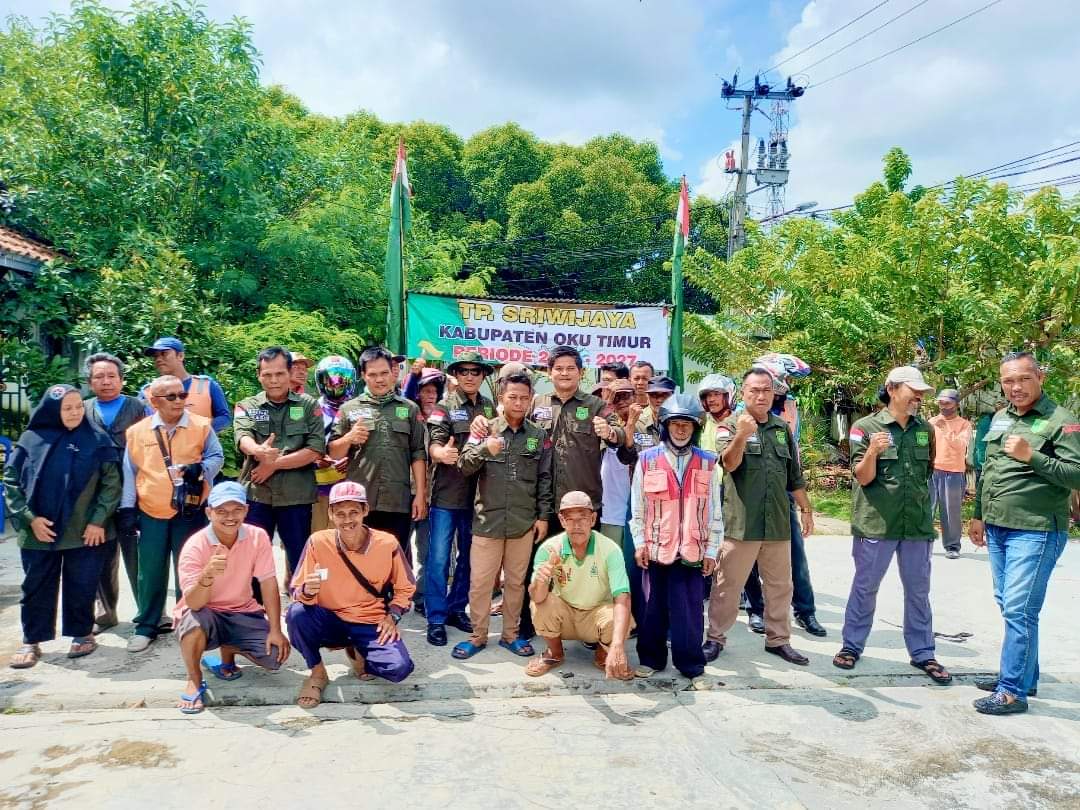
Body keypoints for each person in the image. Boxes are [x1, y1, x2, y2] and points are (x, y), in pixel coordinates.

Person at [969, 351, 1080, 715]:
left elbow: (1076, 473)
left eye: (1023, 379)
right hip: (999, 526)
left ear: (1040, 378)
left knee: (1019, 609)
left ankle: (1012, 691)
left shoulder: (1061, 421)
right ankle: (1023, 675)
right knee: (1010, 604)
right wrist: (979, 514)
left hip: (1035, 530)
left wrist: (1032, 456)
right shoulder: (1000, 418)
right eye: (1008, 381)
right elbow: (990, 470)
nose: (1015, 387)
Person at [833, 367, 952, 685]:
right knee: (865, 587)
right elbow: (862, 477)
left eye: (922, 392)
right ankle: (851, 646)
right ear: (891, 389)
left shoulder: (925, 429)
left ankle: (923, 652)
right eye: (913, 390)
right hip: (876, 525)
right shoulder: (864, 427)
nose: (919, 397)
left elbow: (927, 471)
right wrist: (872, 451)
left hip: (916, 526)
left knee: (918, 592)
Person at [704, 368, 814, 666]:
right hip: (742, 524)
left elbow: (794, 475)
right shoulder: (729, 425)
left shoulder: (781, 428)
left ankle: (778, 640)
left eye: (766, 389)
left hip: (777, 523)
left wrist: (806, 508)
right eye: (754, 390)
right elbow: (728, 464)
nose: (761, 395)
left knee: (781, 586)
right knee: (728, 585)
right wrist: (743, 433)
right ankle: (715, 638)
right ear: (743, 392)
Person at [5, 385, 121, 668]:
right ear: (52, 410)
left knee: (82, 585)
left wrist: (98, 521)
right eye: (67, 408)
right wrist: (29, 518)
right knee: (36, 586)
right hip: (38, 532)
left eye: (79, 406)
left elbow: (111, 484)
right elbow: (10, 482)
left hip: (84, 530)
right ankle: (32, 640)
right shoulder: (31, 440)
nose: (75, 412)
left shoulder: (97, 438)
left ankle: (82, 634)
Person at [452, 371, 553, 660]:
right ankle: (478, 636)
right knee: (481, 583)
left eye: (524, 398)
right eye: (513, 397)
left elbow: (545, 479)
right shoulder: (484, 429)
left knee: (516, 582)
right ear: (501, 399)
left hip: (523, 522)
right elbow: (463, 465)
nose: (518, 403)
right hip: (488, 522)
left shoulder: (538, 435)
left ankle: (510, 635)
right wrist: (485, 448)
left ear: (531, 399)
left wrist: (543, 516)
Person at [287, 481, 416, 707]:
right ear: (331, 514)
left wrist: (392, 616)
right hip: (330, 618)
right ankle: (317, 672)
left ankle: (358, 649)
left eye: (354, 512)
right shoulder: (318, 542)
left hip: (369, 620)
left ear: (365, 510)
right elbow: (297, 590)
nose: (348, 520)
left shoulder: (387, 543)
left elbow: (405, 586)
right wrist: (307, 591)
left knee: (399, 669)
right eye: (341, 514)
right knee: (296, 614)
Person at [123, 375, 223, 652]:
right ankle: (146, 625)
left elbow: (217, 456)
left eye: (182, 395)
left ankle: (189, 621)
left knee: (189, 568)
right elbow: (130, 474)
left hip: (190, 511)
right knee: (150, 570)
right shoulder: (137, 432)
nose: (180, 401)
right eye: (172, 397)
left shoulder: (201, 425)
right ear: (154, 402)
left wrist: (199, 469)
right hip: (151, 510)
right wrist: (127, 509)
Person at [174, 482, 290, 714]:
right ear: (209, 513)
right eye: (221, 511)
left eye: (236, 510)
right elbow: (195, 603)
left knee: (275, 657)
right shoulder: (195, 545)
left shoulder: (257, 536)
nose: (230, 517)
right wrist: (206, 576)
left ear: (246, 510)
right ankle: (194, 678)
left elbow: (268, 583)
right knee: (194, 622)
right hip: (204, 613)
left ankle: (228, 653)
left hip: (241, 610)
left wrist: (276, 630)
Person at [630, 394, 722, 683]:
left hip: (693, 549)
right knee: (652, 609)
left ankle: (691, 664)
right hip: (656, 548)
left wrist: (712, 550)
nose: (681, 429)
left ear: (695, 428)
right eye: (675, 424)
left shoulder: (708, 462)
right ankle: (651, 659)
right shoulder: (647, 460)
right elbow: (637, 507)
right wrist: (639, 543)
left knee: (690, 612)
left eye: (687, 424)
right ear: (665, 426)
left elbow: (715, 511)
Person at [740, 361, 827, 638]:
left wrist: (806, 507)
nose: (773, 390)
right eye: (772, 383)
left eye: (776, 385)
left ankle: (805, 611)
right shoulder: (741, 416)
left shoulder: (788, 411)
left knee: (795, 558)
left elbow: (794, 467)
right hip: (749, 499)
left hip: (782, 495)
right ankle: (756, 610)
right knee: (750, 561)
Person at [424, 352, 495, 646]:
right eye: (463, 371)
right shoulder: (444, 407)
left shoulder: (490, 408)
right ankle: (436, 618)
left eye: (475, 371)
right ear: (456, 374)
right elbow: (434, 443)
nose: (469, 376)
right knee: (439, 559)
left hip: (479, 497)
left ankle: (456, 609)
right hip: (447, 495)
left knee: (469, 559)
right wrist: (440, 453)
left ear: (482, 375)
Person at [234, 347, 325, 576]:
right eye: (267, 375)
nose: (273, 380)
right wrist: (257, 450)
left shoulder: (308, 406)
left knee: (300, 559)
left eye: (279, 374)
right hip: (257, 495)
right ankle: (252, 610)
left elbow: (315, 449)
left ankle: (301, 608)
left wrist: (273, 464)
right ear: (258, 375)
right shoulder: (247, 406)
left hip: (296, 497)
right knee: (251, 559)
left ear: (289, 372)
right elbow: (242, 436)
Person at [329, 346, 428, 555]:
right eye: (372, 374)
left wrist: (420, 494)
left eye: (384, 373)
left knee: (394, 558)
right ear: (363, 376)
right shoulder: (349, 409)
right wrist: (349, 438)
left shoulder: (410, 409)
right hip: (360, 502)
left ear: (393, 372)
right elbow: (334, 452)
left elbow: (418, 454)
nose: (379, 379)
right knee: (359, 557)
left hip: (398, 500)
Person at [527, 491, 634, 679]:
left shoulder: (610, 549)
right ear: (561, 520)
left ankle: (606, 653)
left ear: (593, 519)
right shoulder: (549, 548)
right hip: (565, 614)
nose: (576, 525)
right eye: (570, 519)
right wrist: (541, 580)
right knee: (541, 604)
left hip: (596, 614)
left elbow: (622, 597)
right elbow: (536, 597)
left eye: (583, 518)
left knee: (618, 615)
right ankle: (554, 654)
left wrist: (618, 646)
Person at [83, 353, 147, 633]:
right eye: (99, 376)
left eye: (111, 376)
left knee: (139, 557)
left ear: (121, 379)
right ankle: (105, 614)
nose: (106, 381)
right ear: (90, 381)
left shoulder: (137, 407)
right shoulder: (82, 409)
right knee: (100, 557)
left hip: (134, 495)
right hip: (96, 498)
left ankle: (148, 614)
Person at [402, 363, 445, 617]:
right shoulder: (410, 414)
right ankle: (397, 594)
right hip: (406, 492)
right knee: (398, 548)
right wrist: (415, 374)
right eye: (424, 391)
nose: (429, 396)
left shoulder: (441, 418)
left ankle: (422, 596)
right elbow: (404, 395)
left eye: (433, 392)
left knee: (428, 551)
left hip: (434, 495)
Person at [140, 336, 231, 433]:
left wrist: (201, 432)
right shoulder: (147, 391)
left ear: (180, 356)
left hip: (203, 446)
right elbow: (141, 424)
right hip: (162, 446)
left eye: (164, 354)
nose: (158, 359)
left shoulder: (206, 384)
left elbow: (224, 417)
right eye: (155, 356)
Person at [311, 356, 358, 533]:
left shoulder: (358, 408)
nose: (336, 385)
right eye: (329, 380)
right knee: (316, 540)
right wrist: (315, 458)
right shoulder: (312, 408)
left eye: (342, 380)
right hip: (317, 489)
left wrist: (351, 459)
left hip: (351, 489)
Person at [929, 389, 972, 559]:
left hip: (954, 473)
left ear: (956, 403)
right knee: (926, 510)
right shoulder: (931, 422)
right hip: (931, 471)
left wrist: (945, 429)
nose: (943, 406)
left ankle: (952, 546)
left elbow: (961, 446)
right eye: (940, 403)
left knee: (951, 512)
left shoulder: (964, 424)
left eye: (947, 403)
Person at [697, 373, 736, 453]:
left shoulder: (739, 422)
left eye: (716, 394)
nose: (711, 399)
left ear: (727, 396)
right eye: (708, 395)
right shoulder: (699, 423)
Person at [634, 375, 676, 450]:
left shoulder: (682, 420)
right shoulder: (637, 420)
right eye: (654, 395)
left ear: (673, 396)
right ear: (647, 396)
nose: (659, 400)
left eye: (665, 395)